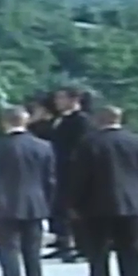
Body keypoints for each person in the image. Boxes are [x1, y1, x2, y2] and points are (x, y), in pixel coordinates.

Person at [70, 106, 138, 276]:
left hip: (96, 204)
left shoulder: (89, 143)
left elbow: (80, 176)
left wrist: (74, 202)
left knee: (98, 250)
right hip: (131, 203)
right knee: (131, 248)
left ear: (100, 119)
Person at [0, 106, 56, 276]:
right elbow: (50, 180)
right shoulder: (43, 147)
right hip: (35, 204)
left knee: (8, 253)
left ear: (5, 122)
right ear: (26, 121)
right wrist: (47, 204)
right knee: (33, 253)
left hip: (5, 204)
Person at [46, 86, 93, 263]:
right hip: (58, 171)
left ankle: (83, 246)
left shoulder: (81, 121)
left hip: (71, 171)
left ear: (74, 100)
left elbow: (80, 148)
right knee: (59, 209)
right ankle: (62, 242)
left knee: (74, 210)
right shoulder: (59, 120)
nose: (57, 102)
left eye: (61, 98)